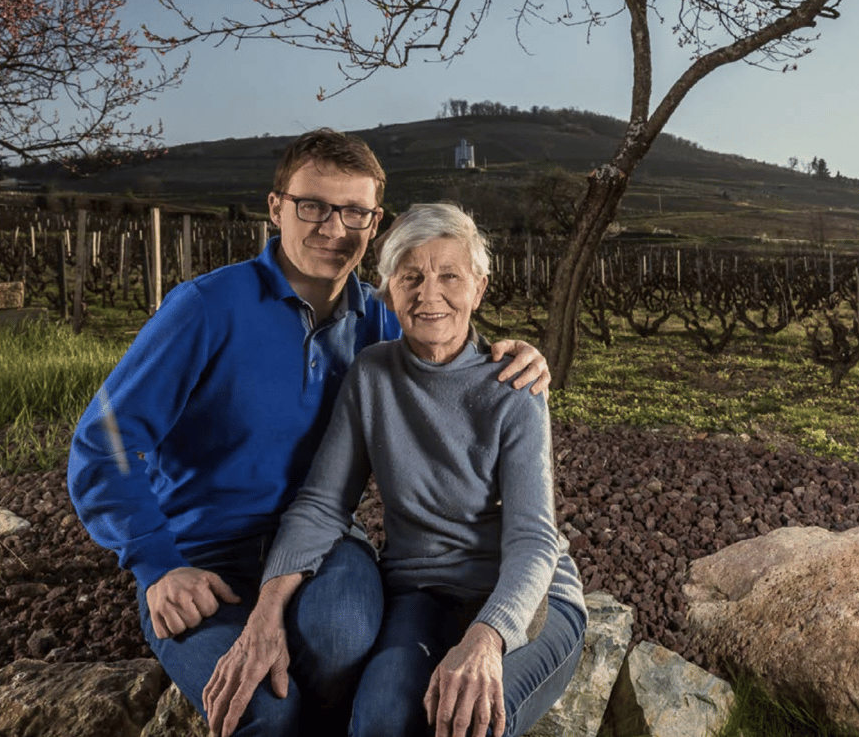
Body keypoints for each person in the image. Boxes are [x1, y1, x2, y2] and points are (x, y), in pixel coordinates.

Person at [67, 130, 551, 737]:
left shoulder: (376, 321)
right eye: (312, 206)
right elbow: (103, 443)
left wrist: (516, 355)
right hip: (202, 555)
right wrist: (156, 564)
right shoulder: (206, 310)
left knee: (342, 641)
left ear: (373, 223)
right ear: (276, 208)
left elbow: (441, 321)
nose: (332, 227)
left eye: (353, 211)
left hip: (323, 544)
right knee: (263, 713)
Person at [204, 203, 586, 737]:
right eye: (411, 276)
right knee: (380, 722)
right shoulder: (372, 375)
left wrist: (487, 639)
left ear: (478, 287)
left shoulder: (514, 388)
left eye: (450, 275)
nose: (430, 293)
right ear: (387, 290)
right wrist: (266, 611)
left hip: (523, 597)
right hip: (420, 590)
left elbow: (533, 539)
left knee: (469, 724)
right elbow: (322, 504)